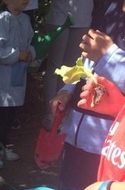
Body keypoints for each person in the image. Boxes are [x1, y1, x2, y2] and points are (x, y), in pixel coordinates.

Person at [51, 1, 125, 190]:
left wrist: (109, 55)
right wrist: (68, 88)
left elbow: (104, 53)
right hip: (78, 134)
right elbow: (89, 56)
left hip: (111, 149)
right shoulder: (111, 8)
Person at [0, 0, 36, 169]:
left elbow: (29, 42)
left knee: (9, 114)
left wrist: (30, 53)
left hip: (14, 77)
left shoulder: (24, 20)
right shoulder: (0, 20)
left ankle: (3, 146)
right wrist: (17, 55)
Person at [41, 0, 94, 129]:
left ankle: (61, 113)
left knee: (71, 69)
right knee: (55, 68)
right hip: (59, 17)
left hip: (83, 17)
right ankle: (49, 115)